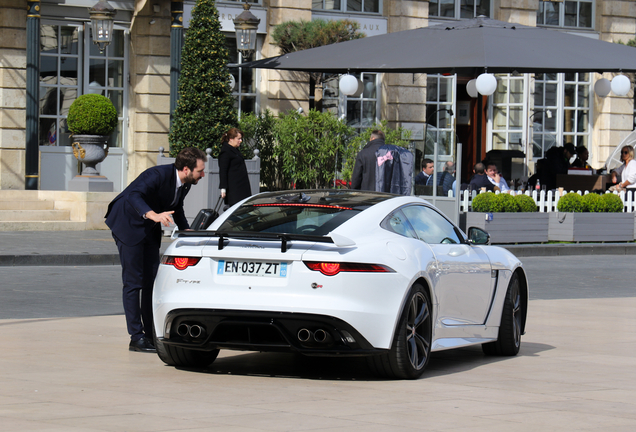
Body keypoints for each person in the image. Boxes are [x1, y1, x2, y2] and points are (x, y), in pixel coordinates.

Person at [105, 147, 207, 353]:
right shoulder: (157, 175)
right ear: (186, 169)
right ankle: (136, 337)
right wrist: (152, 215)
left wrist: (186, 231)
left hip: (149, 228)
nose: (203, 175)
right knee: (133, 282)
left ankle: (151, 334)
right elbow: (134, 195)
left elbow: (176, 207)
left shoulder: (185, 184)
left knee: (151, 280)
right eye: (200, 171)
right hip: (128, 224)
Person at [219, 128, 251, 207]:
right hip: (235, 191)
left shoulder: (235, 150)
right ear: (231, 139)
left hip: (241, 189)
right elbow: (223, 170)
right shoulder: (226, 151)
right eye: (238, 139)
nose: (240, 141)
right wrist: (223, 188)